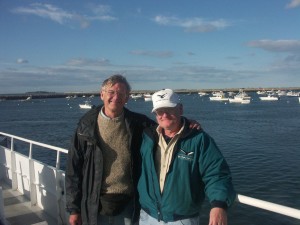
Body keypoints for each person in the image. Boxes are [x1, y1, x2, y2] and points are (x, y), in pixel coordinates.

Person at [65, 75, 200, 225]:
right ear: (102, 94)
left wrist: (186, 123)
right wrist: (74, 209)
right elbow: (73, 170)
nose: (116, 97)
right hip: (95, 202)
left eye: (121, 94)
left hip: (129, 203)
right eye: (111, 92)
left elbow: (166, 123)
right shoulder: (85, 127)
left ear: (127, 98)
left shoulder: (138, 123)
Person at [138, 89, 236, 225]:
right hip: (147, 216)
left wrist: (219, 205)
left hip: (182, 219)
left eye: (169, 109)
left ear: (180, 109)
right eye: (160, 111)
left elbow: (216, 174)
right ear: (155, 114)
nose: (164, 115)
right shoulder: (147, 137)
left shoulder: (199, 140)